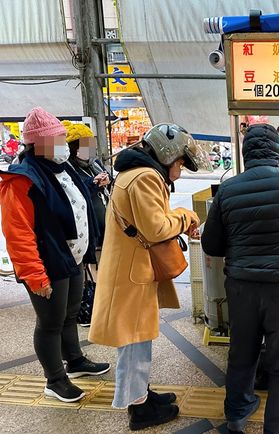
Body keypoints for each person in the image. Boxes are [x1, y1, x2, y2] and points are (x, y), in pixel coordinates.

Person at [201, 124, 279, 434]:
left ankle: (236, 415)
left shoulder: (229, 188)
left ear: (246, 155)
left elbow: (211, 245)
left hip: (243, 285)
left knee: (242, 351)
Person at [88, 123, 202, 430]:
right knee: (134, 339)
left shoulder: (137, 174)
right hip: (132, 273)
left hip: (131, 269)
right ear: (167, 157)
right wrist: (187, 216)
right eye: (180, 163)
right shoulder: (146, 178)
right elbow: (156, 228)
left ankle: (141, 394)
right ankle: (139, 408)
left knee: (137, 337)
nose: (180, 169)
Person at [0, 107, 110, 403]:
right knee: (49, 322)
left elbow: (66, 199)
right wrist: (35, 276)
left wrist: (90, 185)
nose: (63, 145)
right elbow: (18, 234)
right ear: (39, 144)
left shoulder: (61, 168)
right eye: (58, 139)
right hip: (46, 263)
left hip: (69, 257)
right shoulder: (22, 179)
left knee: (69, 314)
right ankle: (55, 379)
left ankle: (74, 361)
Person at [62, 121, 111, 246]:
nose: (90, 148)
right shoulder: (67, 168)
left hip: (107, 221)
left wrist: (108, 181)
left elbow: (110, 182)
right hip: (88, 227)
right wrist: (93, 183)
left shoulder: (94, 163)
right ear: (74, 148)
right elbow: (74, 193)